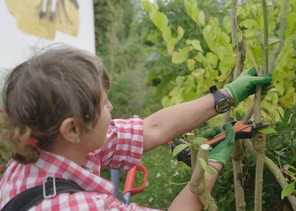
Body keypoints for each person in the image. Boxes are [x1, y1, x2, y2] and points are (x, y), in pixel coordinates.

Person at [0, 45, 272, 210]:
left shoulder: (38, 155)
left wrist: (227, 95)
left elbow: (151, 128)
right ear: (72, 129)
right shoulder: (80, 207)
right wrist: (211, 166)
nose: (111, 108)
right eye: (103, 104)